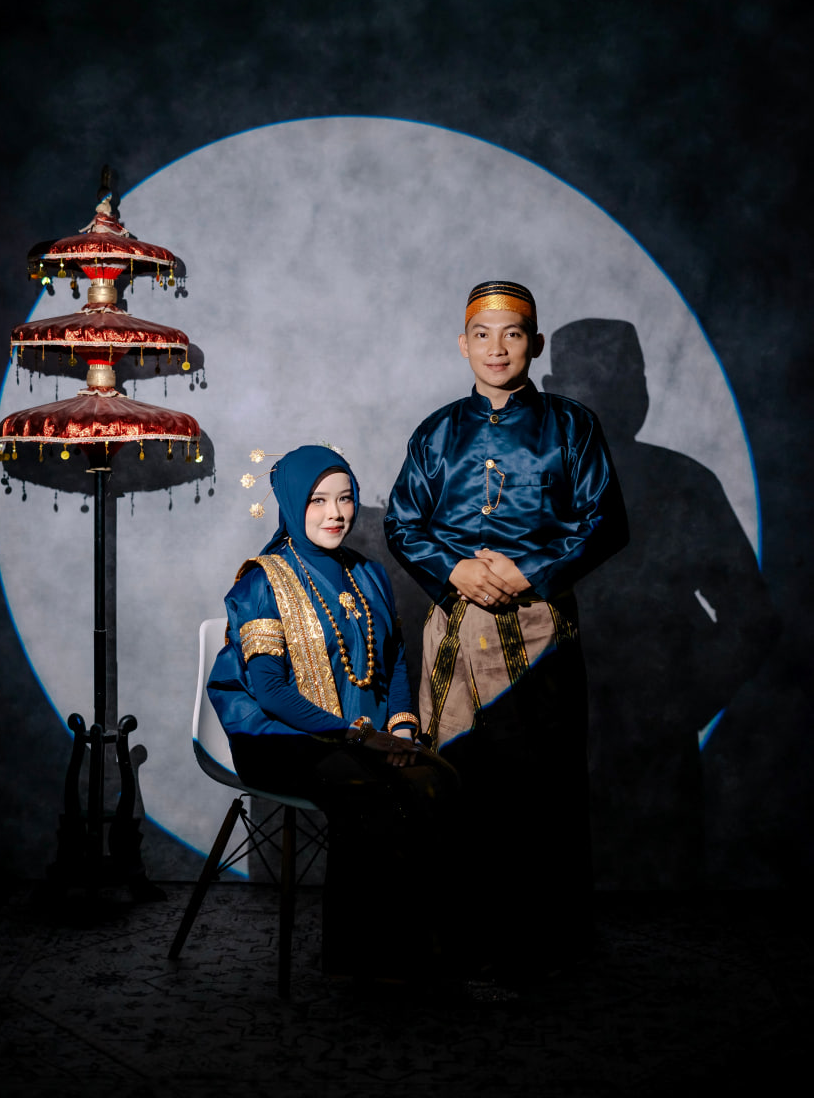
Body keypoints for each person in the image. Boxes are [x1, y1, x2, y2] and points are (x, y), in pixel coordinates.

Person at [384, 281, 628, 984]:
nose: (497, 349)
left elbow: (606, 523)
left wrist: (532, 571)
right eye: (482, 335)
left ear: (535, 345)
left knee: (539, 783)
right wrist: (453, 569)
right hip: (456, 629)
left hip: (539, 628)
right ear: (463, 345)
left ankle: (541, 942)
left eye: (512, 334)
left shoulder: (571, 426)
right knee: (454, 775)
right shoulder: (436, 432)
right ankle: (454, 935)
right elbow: (402, 523)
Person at [208, 444, 458, 979]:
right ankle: (357, 962)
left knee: (434, 782)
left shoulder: (368, 573)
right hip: (278, 738)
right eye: (318, 500)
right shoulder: (261, 581)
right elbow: (269, 691)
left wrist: (402, 728)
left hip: (363, 735)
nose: (336, 513)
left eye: (345, 498)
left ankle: (427, 952)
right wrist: (358, 738)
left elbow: (392, 661)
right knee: (370, 794)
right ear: (291, 501)